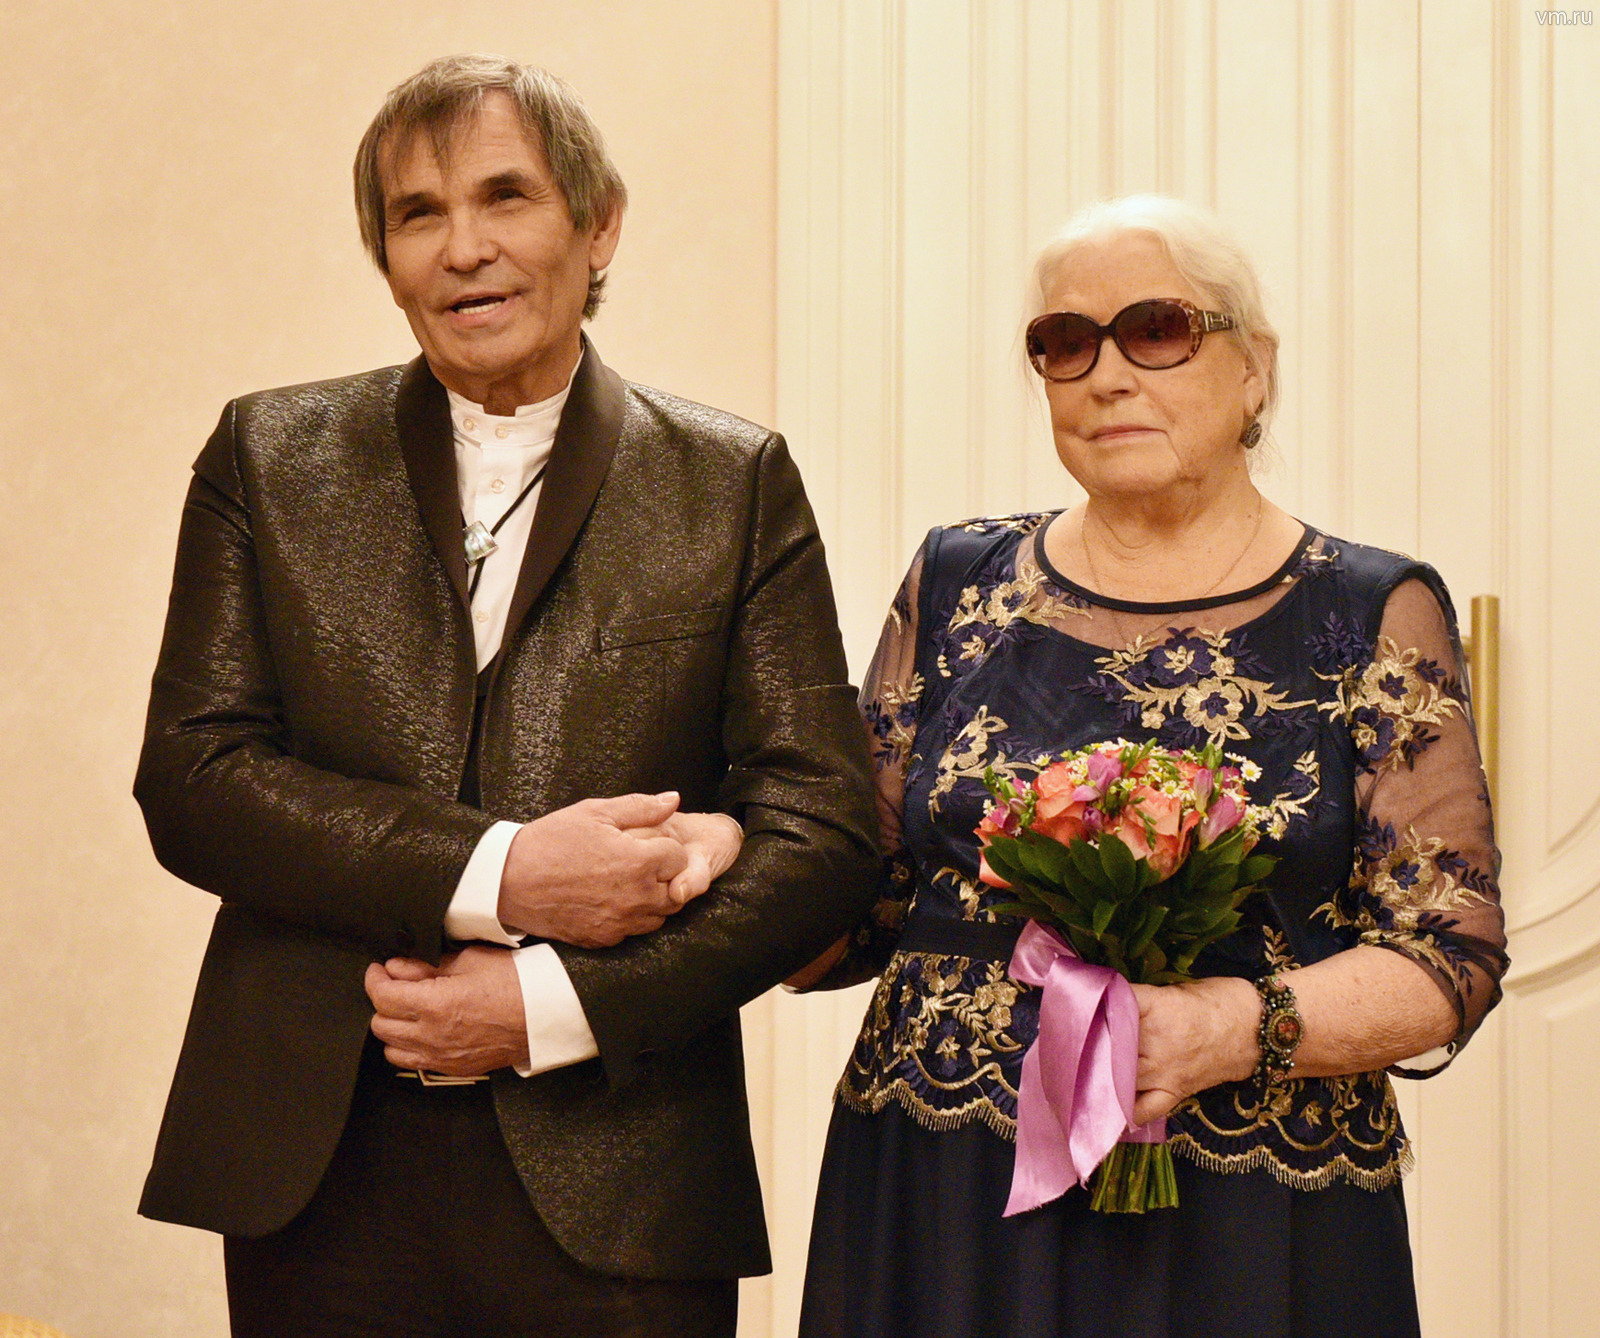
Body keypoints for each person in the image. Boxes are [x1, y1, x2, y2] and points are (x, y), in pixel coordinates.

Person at [134, 53, 878, 1337]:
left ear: (598, 225)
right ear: (385, 258)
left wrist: (549, 1006)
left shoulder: (732, 481)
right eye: (417, 214)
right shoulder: (268, 456)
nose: (463, 248)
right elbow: (196, 780)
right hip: (314, 1168)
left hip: (625, 1171)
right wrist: (504, 873)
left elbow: (824, 835)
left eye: (505, 197)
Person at [792, 194, 1508, 1338]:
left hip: (1246, 1217)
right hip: (945, 1201)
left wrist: (1234, 1025)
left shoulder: (1369, 611)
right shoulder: (956, 582)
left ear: (1253, 370)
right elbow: (858, 894)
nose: (1108, 375)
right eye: (1065, 343)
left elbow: (1446, 953)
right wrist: (724, 863)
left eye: (1157, 329)